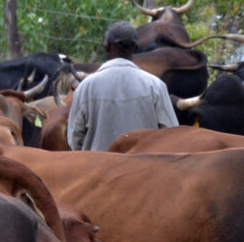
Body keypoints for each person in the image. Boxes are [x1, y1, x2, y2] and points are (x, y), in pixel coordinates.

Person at [66, 21, 179, 153]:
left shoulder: (86, 87)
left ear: (107, 47)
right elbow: (171, 134)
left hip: (97, 170)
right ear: (136, 48)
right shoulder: (155, 86)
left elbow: (74, 139)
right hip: (142, 170)